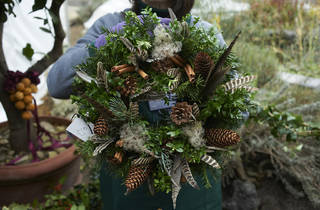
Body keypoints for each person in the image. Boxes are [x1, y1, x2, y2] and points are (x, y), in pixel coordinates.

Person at [48, 0, 225, 209]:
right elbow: (57, 84)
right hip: (128, 183)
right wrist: (106, 41)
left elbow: (238, 107)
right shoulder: (112, 24)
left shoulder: (203, 32)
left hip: (191, 186)